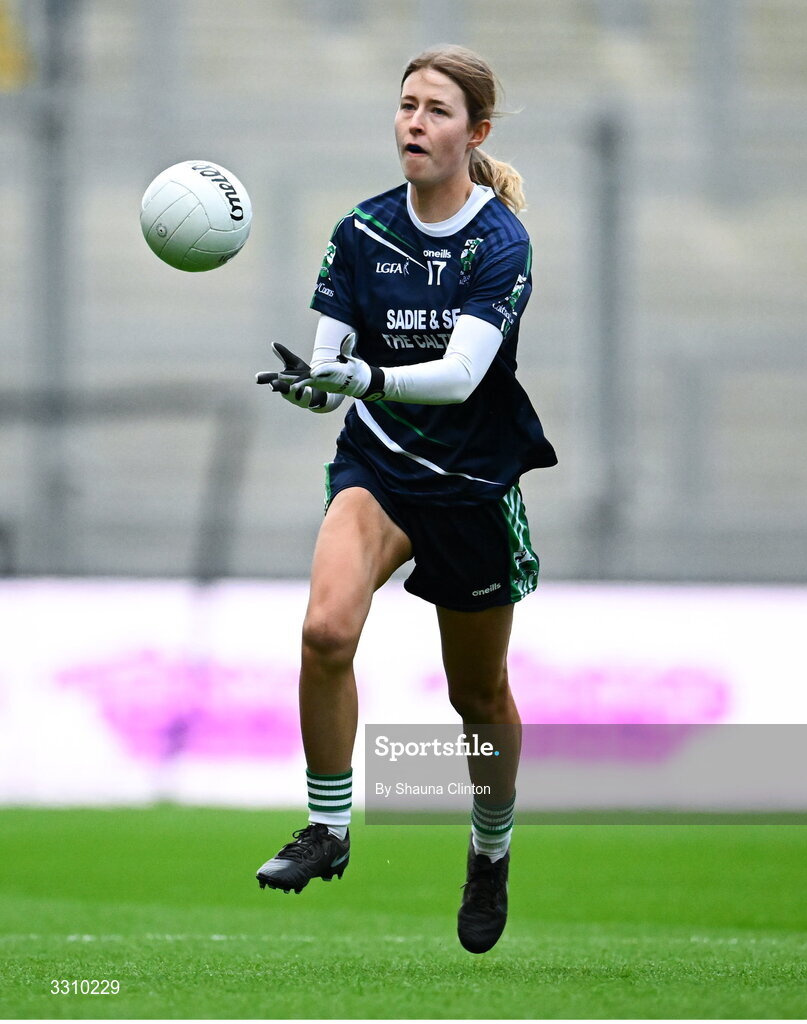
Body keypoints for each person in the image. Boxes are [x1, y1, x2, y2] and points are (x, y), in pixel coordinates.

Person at [254, 44, 556, 955]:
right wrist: (317, 385)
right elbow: (331, 357)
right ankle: (329, 827)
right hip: (378, 473)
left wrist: (358, 376)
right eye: (406, 106)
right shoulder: (361, 231)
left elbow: (461, 376)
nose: (414, 123)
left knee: (479, 697)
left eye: (436, 111)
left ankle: (490, 846)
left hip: (468, 488)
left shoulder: (497, 240)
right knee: (324, 631)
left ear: (476, 134)